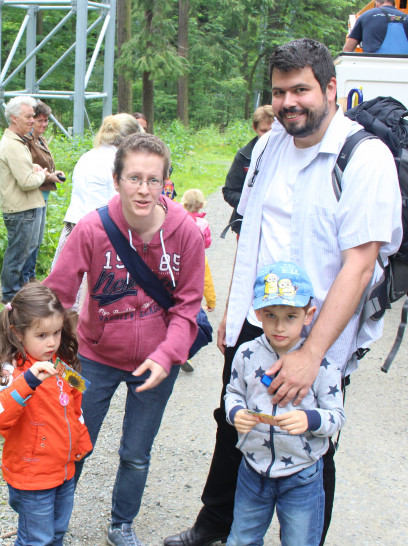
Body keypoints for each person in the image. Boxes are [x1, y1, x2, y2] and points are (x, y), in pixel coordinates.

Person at [163, 38, 401, 546]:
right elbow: (250, 230)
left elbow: (359, 266)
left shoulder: (364, 157)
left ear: (331, 89)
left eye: (301, 89)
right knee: (235, 423)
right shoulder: (269, 144)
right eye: (279, 92)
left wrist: (311, 355)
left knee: (310, 438)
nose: (288, 102)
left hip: (317, 331)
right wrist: (231, 312)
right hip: (258, 316)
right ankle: (215, 528)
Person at [44, 133, 205, 546]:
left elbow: (189, 305)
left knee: (136, 454)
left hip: (156, 361)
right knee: (75, 445)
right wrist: (22, 327)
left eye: (154, 180)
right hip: (94, 357)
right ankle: (55, 526)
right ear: (116, 180)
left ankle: (121, 524)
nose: (144, 189)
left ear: (166, 183)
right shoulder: (93, 228)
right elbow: (59, 293)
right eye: (134, 178)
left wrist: (169, 354)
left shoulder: (184, 232)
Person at [225, 261, 345, 546]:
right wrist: (235, 412)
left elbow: (337, 416)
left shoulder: (322, 365)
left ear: (308, 315)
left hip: (302, 474)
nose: (280, 326)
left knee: (300, 541)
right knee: (241, 539)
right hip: (253, 469)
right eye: (271, 315)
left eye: (291, 316)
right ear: (257, 314)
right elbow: (233, 392)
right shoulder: (246, 354)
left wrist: (310, 420)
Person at [0, 283, 92, 546]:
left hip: (64, 470)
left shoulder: (60, 365)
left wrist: (82, 443)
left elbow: (77, 402)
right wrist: (28, 381)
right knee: (36, 540)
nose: (52, 342)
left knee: (56, 533)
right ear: (18, 334)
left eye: (56, 332)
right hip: (32, 477)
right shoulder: (9, 372)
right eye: (42, 335)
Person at [51, 113, 142, 271]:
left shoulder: (87, 156)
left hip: (73, 230)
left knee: (67, 285)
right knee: (97, 289)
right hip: (101, 233)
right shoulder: (119, 162)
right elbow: (120, 206)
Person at [0, 96, 49, 304]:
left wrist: (35, 170)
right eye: (28, 116)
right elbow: (27, 182)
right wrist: (43, 175)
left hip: (27, 206)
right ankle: (10, 294)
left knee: (25, 251)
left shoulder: (19, 141)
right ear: (13, 118)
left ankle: (18, 292)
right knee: (17, 254)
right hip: (20, 208)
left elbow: (26, 173)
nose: (32, 120)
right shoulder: (12, 144)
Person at [23, 100, 65, 282]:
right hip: (33, 193)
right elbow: (28, 169)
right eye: (40, 120)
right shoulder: (26, 141)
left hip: (43, 192)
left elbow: (43, 166)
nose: (44, 124)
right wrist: (49, 176)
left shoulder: (41, 139)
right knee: (30, 240)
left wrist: (53, 173)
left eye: (46, 120)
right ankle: (25, 279)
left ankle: (29, 278)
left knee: (37, 240)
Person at [222, 105, 274, 236]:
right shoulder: (244, 155)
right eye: (264, 130)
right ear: (255, 129)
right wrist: (253, 203)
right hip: (246, 223)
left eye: (272, 130)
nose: (268, 135)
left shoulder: (288, 155)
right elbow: (229, 191)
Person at [182, 188, 216, 312]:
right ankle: (211, 303)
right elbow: (207, 243)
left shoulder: (180, 219)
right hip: (199, 256)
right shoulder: (203, 223)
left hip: (182, 256)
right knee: (206, 279)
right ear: (201, 205)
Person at [343, 0, 408, 54]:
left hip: (373, 65)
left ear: (376, 3)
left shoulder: (366, 16)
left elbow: (348, 49)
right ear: (394, 4)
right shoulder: (406, 18)